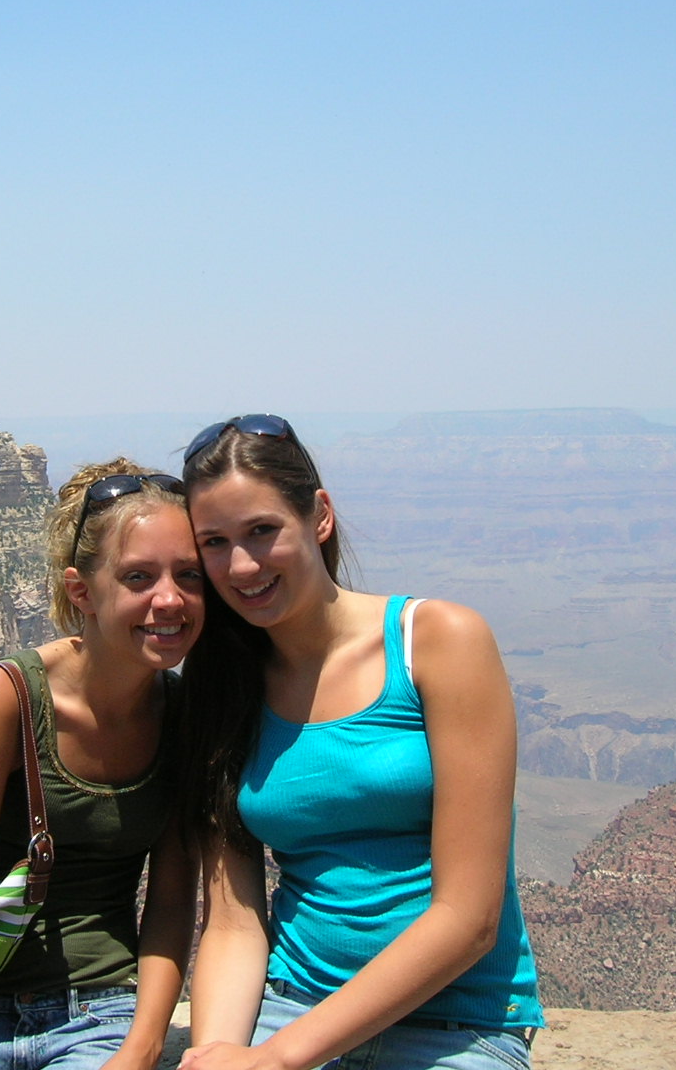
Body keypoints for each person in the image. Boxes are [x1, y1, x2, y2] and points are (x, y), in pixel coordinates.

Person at [176, 415, 543, 1070]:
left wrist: (282, 1059)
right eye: (215, 543)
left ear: (319, 515)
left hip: (452, 1024)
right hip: (291, 1000)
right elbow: (233, 922)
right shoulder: (221, 688)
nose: (241, 564)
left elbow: (469, 916)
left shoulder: (436, 642)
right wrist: (221, 1053)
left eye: (262, 531)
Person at [0, 459, 203, 1070]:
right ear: (81, 590)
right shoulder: (4, 699)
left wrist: (140, 1049)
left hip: (100, 1009)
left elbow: (169, 903)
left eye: (188, 575)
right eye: (139, 577)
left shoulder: (186, 715)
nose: (169, 599)